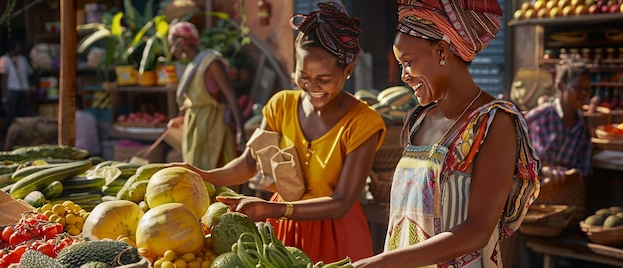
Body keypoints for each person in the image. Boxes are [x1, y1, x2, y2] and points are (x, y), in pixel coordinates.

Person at [169, 1, 386, 263]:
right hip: (283, 235)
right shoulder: (281, 105)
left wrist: (273, 208)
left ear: (348, 71)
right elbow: (249, 163)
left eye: (324, 79)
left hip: (338, 236)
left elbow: (341, 202)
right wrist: (203, 175)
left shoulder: (363, 122)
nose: (312, 87)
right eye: (303, 75)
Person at [353, 1, 541, 267]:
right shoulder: (417, 121)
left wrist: (382, 262)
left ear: (442, 51)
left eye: (407, 62)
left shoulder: (493, 123)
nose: (404, 76)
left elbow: (478, 231)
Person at [166, 21, 247, 170]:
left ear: (181, 42)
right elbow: (195, 102)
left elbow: (230, 95)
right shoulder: (192, 65)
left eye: (172, 45)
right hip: (195, 130)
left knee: (215, 175)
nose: (172, 50)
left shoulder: (211, 62)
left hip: (212, 128)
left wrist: (241, 132)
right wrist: (182, 119)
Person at [524, 56, 592, 177]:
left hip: (565, 192)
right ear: (561, 86)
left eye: (586, 89)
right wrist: (542, 171)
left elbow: (585, 166)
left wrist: (571, 175)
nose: (584, 94)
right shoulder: (539, 116)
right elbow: (513, 150)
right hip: (537, 189)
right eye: (578, 88)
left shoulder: (582, 127)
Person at [0, 39, 34, 134]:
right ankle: (6, 134)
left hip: (23, 89)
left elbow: (29, 74)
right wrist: (4, 97)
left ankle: (19, 134)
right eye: (18, 45)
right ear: (13, 47)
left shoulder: (23, 59)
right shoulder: (4, 59)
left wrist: (29, 88)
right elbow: (4, 79)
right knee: (11, 114)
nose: (20, 48)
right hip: (12, 90)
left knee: (22, 113)